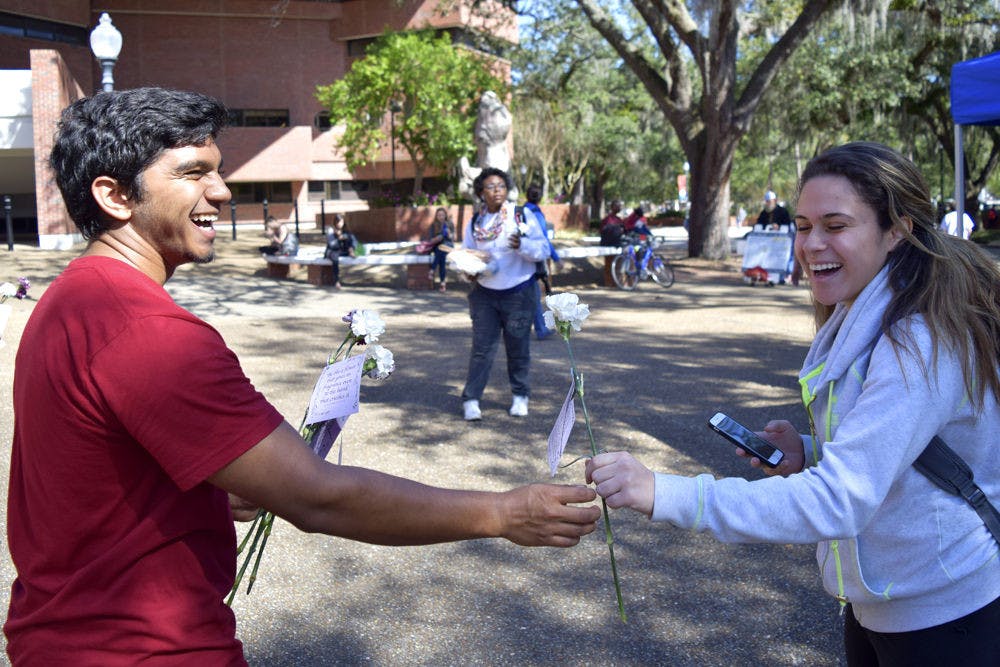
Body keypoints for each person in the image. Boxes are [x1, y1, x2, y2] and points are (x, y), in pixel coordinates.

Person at [4, 87, 600, 664]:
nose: (222, 190)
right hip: (144, 649)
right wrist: (503, 512)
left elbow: (101, 469)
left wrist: (207, 491)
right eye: (193, 173)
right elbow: (320, 499)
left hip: (60, 635)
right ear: (113, 196)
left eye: (217, 169)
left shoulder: (71, 298)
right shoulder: (148, 330)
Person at [586, 142, 1000, 666]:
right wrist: (811, 450)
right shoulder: (865, 309)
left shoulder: (916, 339)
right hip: (881, 603)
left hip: (944, 618)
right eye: (803, 226)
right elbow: (889, 451)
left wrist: (663, 492)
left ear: (898, 230)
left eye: (835, 225)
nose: (811, 245)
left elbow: (840, 500)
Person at [458, 167, 549, 421]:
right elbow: (467, 253)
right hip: (484, 295)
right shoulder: (477, 222)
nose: (497, 190)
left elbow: (542, 249)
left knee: (518, 347)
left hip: (519, 293)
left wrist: (523, 245)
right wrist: (469, 271)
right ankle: (472, 399)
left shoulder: (521, 216)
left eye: (501, 186)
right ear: (480, 192)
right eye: (490, 186)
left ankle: (521, 395)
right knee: (481, 349)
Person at [523, 184, 558, 340]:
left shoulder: (520, 212)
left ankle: (540, 328)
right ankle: (539, 328)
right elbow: (544, 239)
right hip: (532, 259)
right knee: (533, 293)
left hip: (519, 258)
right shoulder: (536, 214)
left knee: (531, 294)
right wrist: (556, 257)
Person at [324, 213, 355, 289]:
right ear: (335, 222)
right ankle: (336, 281)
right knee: (335, 258)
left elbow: (352, 241)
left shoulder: (345, 231)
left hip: (341, 251)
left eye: (341, 222)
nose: (339, 224)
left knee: (348, 239)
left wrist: (344, 238)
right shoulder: (331, 231)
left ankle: (351, 252)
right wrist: (338, 238)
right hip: (331, 252)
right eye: (338, 222)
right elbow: (332, 245)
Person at [426, 207, 455, 292]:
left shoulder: (450, 223)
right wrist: (437, 238)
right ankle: (442, 283)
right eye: (439, 215)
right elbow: (431, 240)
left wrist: (449, 234)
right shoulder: (433, 225)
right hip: (437, 246)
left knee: (441, 251)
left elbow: (453, 238)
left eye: (442, 215)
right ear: (436, 216)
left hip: (448, 245)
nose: (441, 217)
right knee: (441, 258)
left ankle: (432, 270)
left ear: (445, 215)